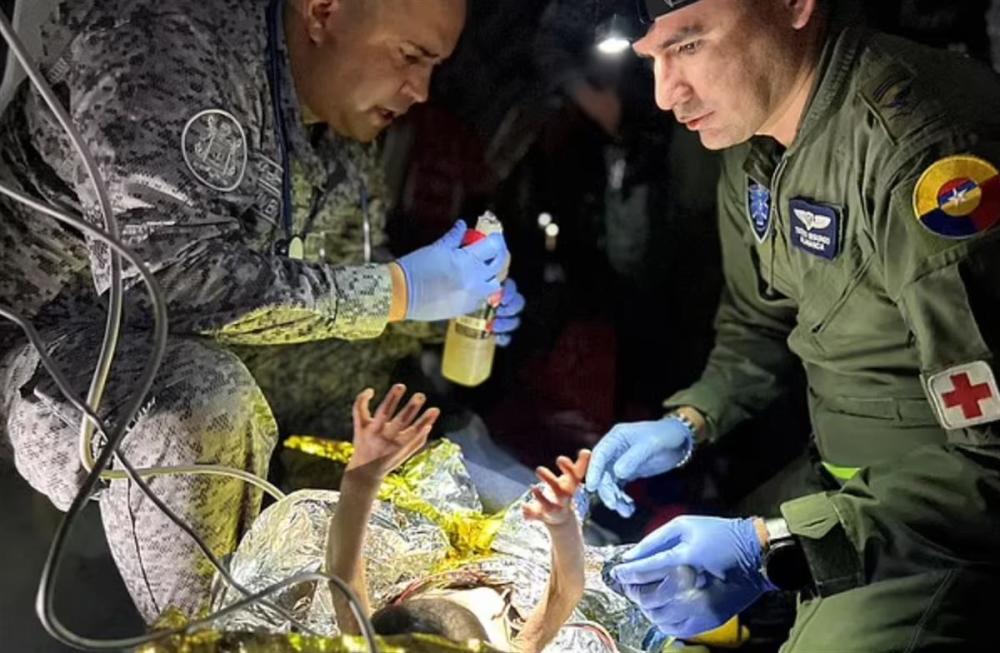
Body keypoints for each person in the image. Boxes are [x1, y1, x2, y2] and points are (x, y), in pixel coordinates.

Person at [0, 0, 524, 622]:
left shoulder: (331, 133)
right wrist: (398, 292)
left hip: (219, 352)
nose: (419, 90)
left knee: (403, 418)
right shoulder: (171, 49)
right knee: (202, 403)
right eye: (410, 56)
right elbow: (160, 281)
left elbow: (322, 277)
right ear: (325, 11)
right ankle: (211, 635)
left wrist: (438, 305)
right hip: (51, 351)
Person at [584, 0, 1000, 648]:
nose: (667, 96)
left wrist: (772, 545)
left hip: (943, 514)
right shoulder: (756, 139)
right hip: (841, 475)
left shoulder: (922, 148)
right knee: (646, 607)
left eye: (689, 47)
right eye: (652, 61)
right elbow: (758, 321)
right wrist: (692, 418)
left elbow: (990, 463)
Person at [326, 384, 588, 652]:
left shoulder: (371, 645)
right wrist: (561, 525)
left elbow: (342, 571)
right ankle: (466, 416)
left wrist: (363, 475)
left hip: (430, 569)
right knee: (562, 493)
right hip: (512, 570)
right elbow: (566, 590)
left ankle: (456, 412)